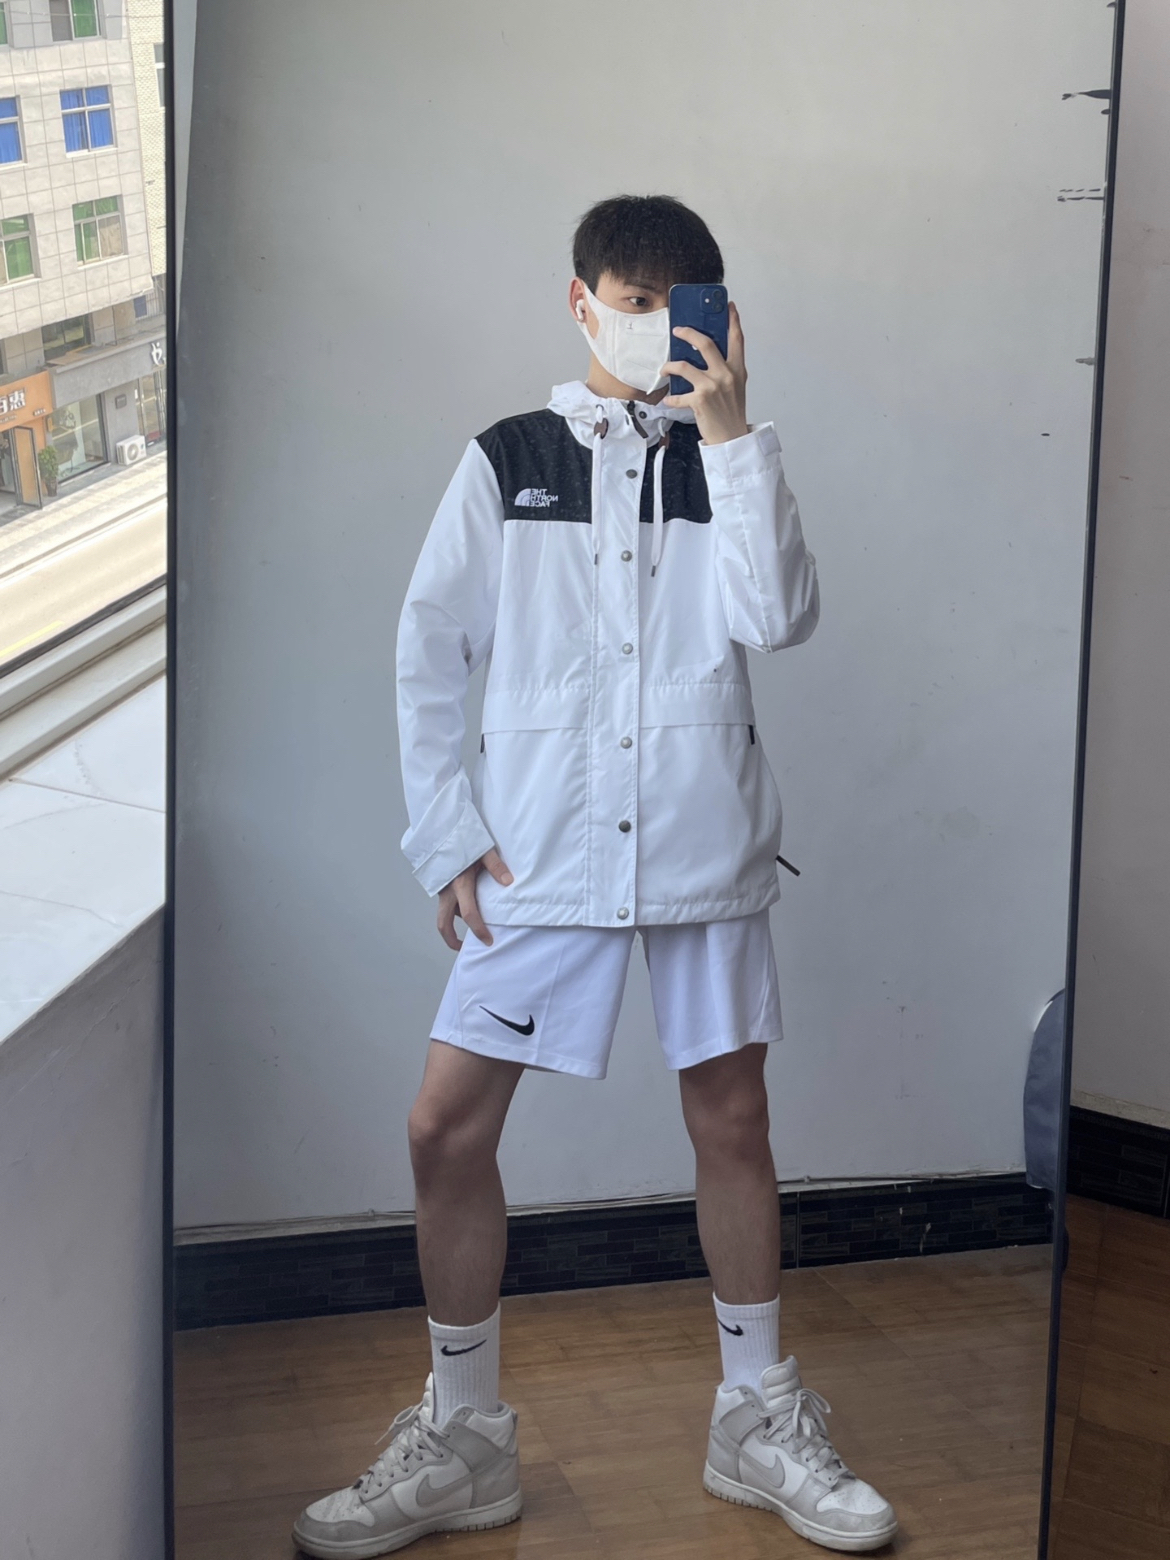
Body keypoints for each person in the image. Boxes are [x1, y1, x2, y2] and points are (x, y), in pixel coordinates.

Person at [294, 195, 898, 1557]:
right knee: (444, 1128)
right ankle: (463, 1438)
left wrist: (733, 438)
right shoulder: (507, 459)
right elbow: (428, 648)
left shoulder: (727, 459)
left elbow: (777, 618)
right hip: (541, 846)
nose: (655, 326)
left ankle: (755, 1417)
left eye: (683, 304)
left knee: (732, 1119)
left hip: (701, 840)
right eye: (633, 301)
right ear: (581, 303)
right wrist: (445, 834)